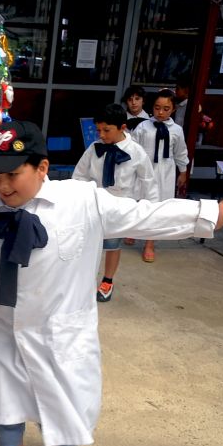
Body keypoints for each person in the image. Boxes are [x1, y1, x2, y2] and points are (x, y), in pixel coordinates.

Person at [0, 120, 223, 446]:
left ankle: (64, 429)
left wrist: (209, 213)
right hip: (4, 328)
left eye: (13, 175)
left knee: (69, 417)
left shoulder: (82, 201)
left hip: (61, 331)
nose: (3, 186)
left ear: (41, 168)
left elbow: (144, 215)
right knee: (5, 407)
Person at [73, 104, 158, 302]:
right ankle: (83, 281)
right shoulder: (94, 149)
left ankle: (107, 280)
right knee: (87, 244)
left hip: (119, 206)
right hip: (93, 205)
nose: (101, 135)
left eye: (106, 130)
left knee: (112, 244)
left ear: (122, 127)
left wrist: (150, 209)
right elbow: (79, 175)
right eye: (98, 130)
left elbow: (148, 181)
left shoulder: (136, 152)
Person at [131, 89, 189, 262]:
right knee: (139, 202)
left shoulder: (177, 130)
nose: (161, 112)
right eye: (157, 108)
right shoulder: (143, 127)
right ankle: (133, 230)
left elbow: (181, 152)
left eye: (166, 108)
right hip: (144, 170)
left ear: (173, 109)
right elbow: (133, 148)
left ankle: (150, 243)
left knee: (159, 206)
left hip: (165, 172)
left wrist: (183, 171)